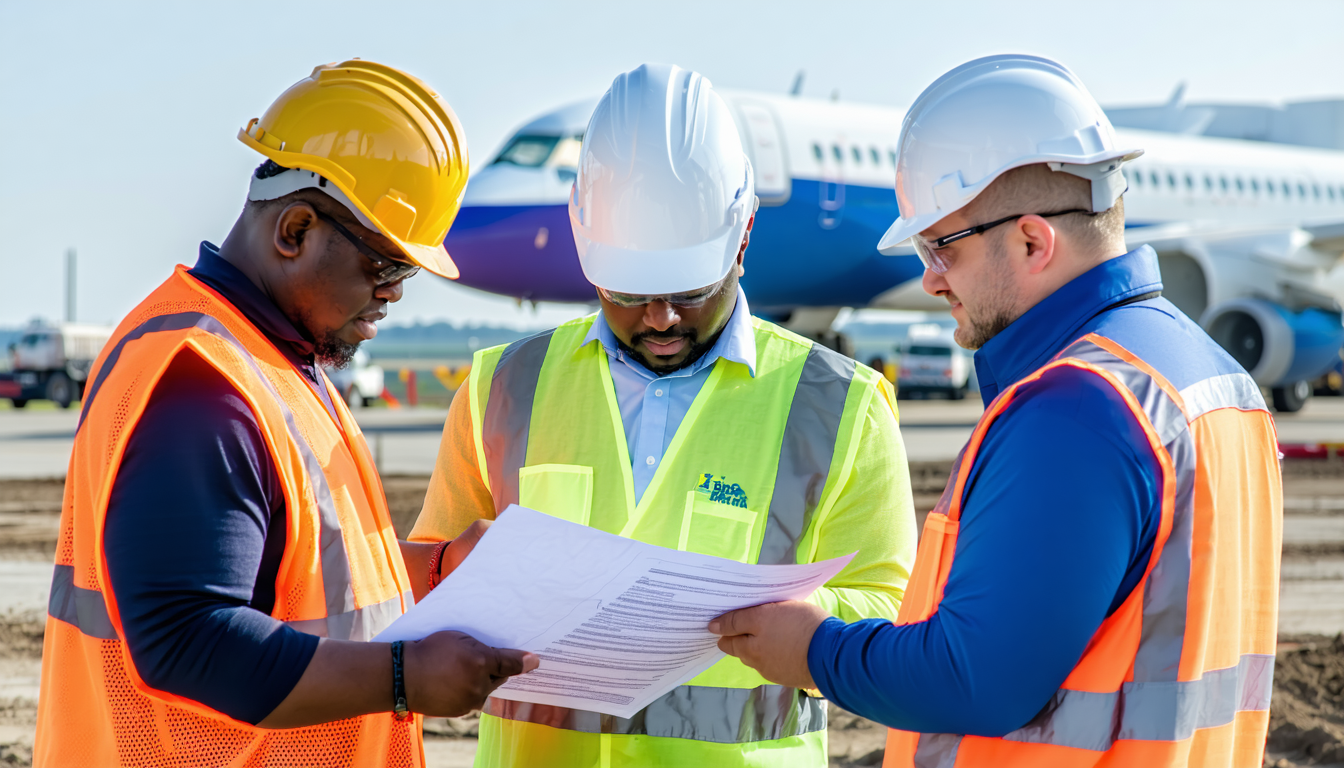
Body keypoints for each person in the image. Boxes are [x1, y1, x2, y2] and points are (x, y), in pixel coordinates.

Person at [710, 54, 1282, 767]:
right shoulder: (1210, 379)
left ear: (1033, 240)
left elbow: (976, 675)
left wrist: (815, 649)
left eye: (941, 247)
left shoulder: (1077, 408)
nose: (928, 278)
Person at [410, 63, 918, 768]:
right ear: (584, 246)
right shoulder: (500, 387)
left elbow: (895, 611)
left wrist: (813, 630)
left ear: (741, 239)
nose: (660, 317)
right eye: (628, 291)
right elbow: (427, 585)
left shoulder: (843, 404)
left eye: (689, 290)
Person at [35, 60, 536, 767]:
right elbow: (186, 638)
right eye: (386, 267)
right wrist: (404, 677)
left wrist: (441, 570)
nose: (394, 295)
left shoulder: (280, 360)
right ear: (295, 228)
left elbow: (307, 576)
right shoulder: (202, 384)